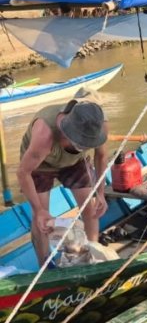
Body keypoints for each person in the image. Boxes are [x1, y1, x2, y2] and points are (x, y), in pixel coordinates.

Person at [17, 88, 109, 267]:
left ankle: (92, 254)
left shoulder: (99, 126)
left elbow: (101, 157)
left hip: (74, 162)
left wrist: (101, 193)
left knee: (91, 208)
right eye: (81, 142)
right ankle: (44, 266)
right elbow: (23, 173)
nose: (85, 146)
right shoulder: (44, 135)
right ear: (67, 132)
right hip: (40, 164)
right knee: (42, 221)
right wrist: (38, 210)